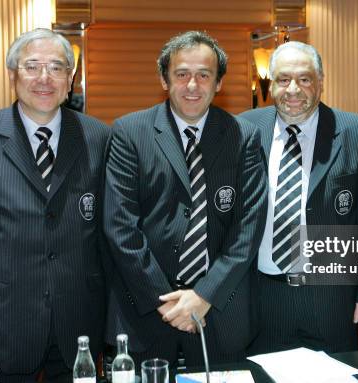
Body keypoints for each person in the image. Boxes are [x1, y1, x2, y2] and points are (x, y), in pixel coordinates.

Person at [0, 28, 110, 381]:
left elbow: (108, 235)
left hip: (79, 325)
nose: (44, 78)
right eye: (32, 66)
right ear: (13, 75)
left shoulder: (99, 137)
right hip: (0, 326)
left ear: (70, 79)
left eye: (57, 67)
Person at [103, 31, 267, 367]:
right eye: (182, 74)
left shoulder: (244, 136)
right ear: (164, 79)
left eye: (204, 75)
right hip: (145, 312)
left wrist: (205, 294)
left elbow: (249, 227)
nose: (192, 85)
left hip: (220, 310)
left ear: (218, 82)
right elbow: (120, 226)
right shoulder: (129, 132)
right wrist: (164, 301)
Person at [240, 41, 358, 354]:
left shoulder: (357, 132)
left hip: (331, 299)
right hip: (262, 298)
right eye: (283, 79)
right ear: (271, 83)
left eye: (304, 79)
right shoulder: (244, 129)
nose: (293, 89)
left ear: (321, 83)